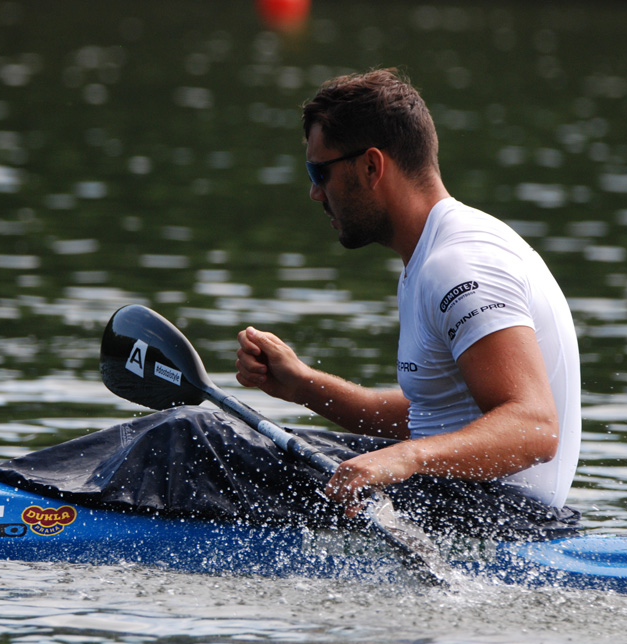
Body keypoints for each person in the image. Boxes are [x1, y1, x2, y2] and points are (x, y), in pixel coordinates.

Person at [235, 68, 581, 518]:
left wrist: (404, 457)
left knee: (199, 436)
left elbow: (535, 430)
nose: (314, 193)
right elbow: (432, 416)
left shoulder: (459, 265)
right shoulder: (431, 256)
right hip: (470, 500)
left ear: (371, 166)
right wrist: (304, 385)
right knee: (244, 439)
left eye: (319, 171)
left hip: (503, 517)